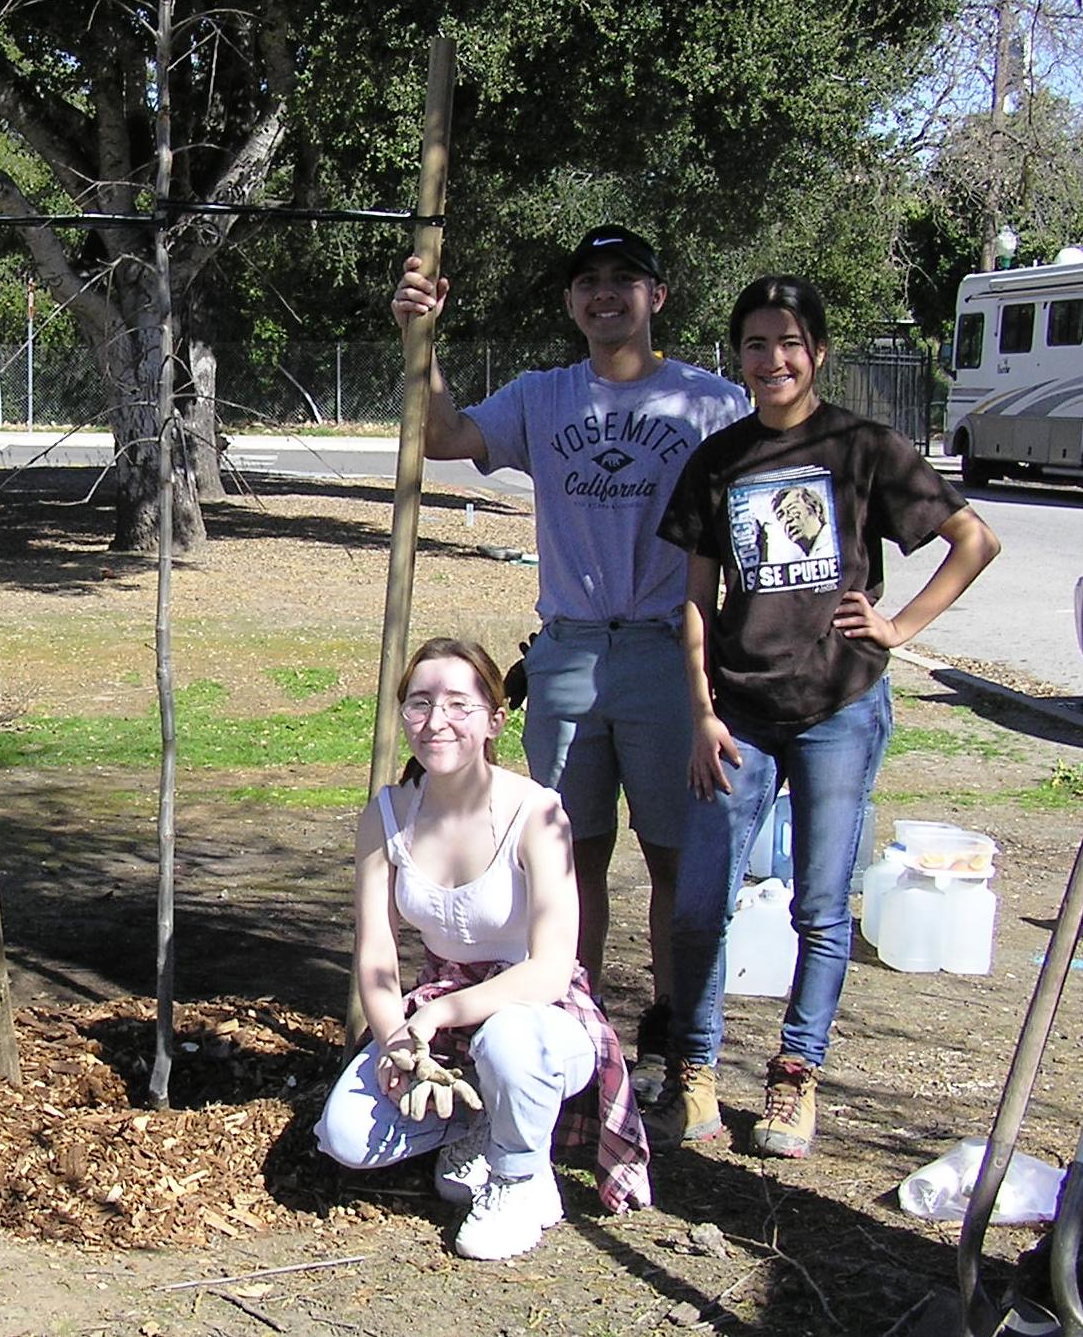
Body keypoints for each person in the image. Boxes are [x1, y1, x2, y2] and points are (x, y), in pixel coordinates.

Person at [391, 227, 752, 1096]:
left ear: (655, 297)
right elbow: (441, 433)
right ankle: (573, 1031)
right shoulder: (543, 397)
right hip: (568, 656)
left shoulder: (711, 404)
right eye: (587, 282)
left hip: (670, 655)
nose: (604, 294)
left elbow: (776, 493)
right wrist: (421, 335)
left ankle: (680, 1044)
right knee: (566, 856)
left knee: (675, 859)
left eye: (624, 280)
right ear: (568, 303)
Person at [650, 276, 1000, 1158]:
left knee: (820, 906)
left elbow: (974, 540)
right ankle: (691, 1069)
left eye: (789, 342)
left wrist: (897, 627)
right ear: (738, 357)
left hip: (839, 708)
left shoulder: (859, 444)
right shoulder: (717, 459)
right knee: (698, 906)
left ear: (817, 351)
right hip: (737, 714)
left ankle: (793, 1075)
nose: (773, 359)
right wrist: (699, 712)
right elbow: (692, 600)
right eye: (755, 344)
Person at [314, 638, 650, 1261]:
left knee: (509, 1041)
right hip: (435, 1012)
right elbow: (377, 954)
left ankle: (522, 1180)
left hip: (542, 1018)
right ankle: (479, 1122)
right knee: (346, 1139)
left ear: (496, 719)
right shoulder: (387, 813)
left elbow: (550, 971)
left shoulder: (538, 813)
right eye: (419, 704)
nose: (435, 721)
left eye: (457, 705)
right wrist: (397, 1043)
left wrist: (435, 1016)